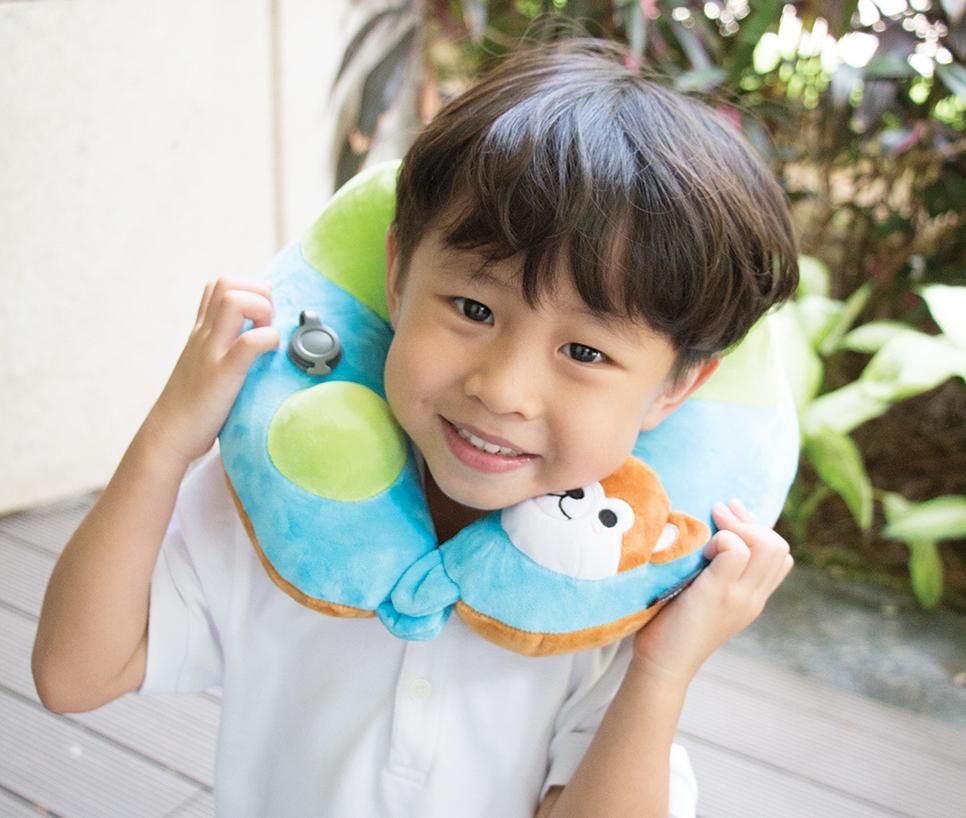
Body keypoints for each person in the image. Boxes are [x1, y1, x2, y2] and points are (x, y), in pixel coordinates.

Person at [32, 39, 797, 817]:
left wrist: (662, 670)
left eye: (584, 352)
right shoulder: (288, 498)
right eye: (474, 308)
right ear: (397, 275)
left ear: (674, 389)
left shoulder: (619, 587)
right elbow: (73, 674)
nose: (503, 389)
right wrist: (168, 438)